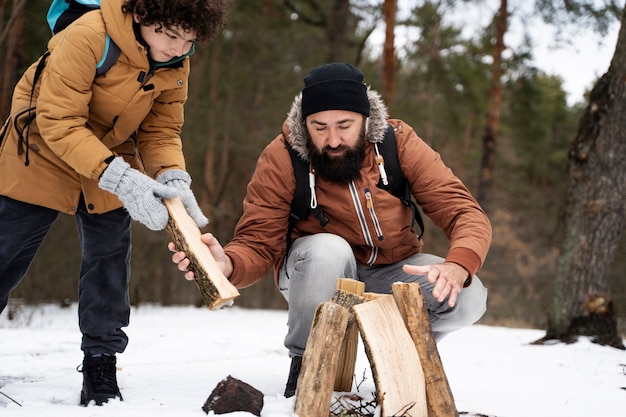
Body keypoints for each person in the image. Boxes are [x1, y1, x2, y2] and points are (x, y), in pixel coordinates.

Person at [170, 63, 491, 398]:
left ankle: (404, 353)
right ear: (304, 124)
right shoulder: (282, 157)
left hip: (392, 271)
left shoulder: (397, 143)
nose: (332, 140)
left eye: (344, 125)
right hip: (314, 274)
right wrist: (228, 266)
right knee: (328, 248)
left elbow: (463, 210)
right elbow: (258, 241)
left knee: (467, 295)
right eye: (319, 127)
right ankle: (306, 367)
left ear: (366, 121)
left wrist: (457, 265)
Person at [0, 0, 228, 406]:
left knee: (109, 259)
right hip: (41, 147)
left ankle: (101, 362)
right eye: (170, 36)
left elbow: (161, 130)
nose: (179, 49)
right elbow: (59, 121)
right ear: (141, 15)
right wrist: (124, 180)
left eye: (189, 41)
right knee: (6, 254)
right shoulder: (88, 35)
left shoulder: (176, 61)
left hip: (112, 151)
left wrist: (172, 176)